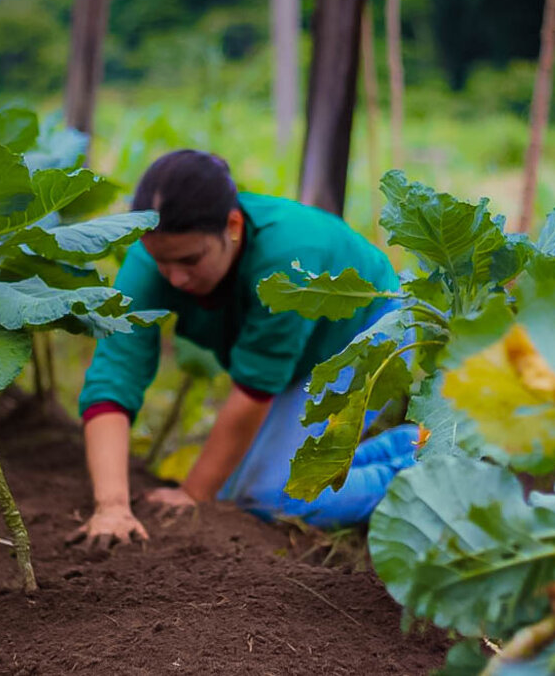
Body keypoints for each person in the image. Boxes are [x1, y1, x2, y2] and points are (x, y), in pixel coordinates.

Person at [69, 150, 418, 548]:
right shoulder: (152, 260)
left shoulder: (285, 259)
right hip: (299, 358)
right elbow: (114, 375)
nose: (176, 277)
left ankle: (428, 468)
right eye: (161, 262)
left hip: (370, 335)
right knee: (236, 491)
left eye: (190, 260)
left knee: (269, 496)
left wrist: (194, 494)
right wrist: (111, 506)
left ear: (232, 226)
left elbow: (254, 391)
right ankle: (407, 445)